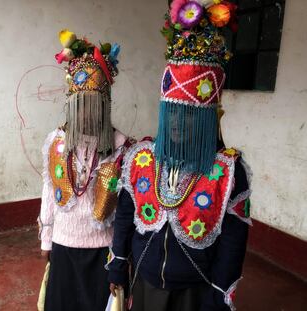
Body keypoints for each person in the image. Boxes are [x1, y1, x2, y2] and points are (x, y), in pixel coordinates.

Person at [108, 1, 251, 310]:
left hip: (195, 294)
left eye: (187, 114)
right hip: (144, 283)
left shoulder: (227, 172)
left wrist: (219, 293)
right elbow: (123, 217)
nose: (175, 123)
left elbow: (232, 245)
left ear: (206, 117)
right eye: (170, 112)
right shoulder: (141, 158)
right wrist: (118, 262)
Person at [38, 29, 132, 311]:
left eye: (94, 105)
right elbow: (48, 188)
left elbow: (126, 210)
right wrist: (46, 238)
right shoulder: (55, 142)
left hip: (103, 248)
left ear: (106, 106)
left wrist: (120, 257)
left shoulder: (121, 147)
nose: (86, 114)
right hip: (63, 243)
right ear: (70, 105)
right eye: (80, 105)